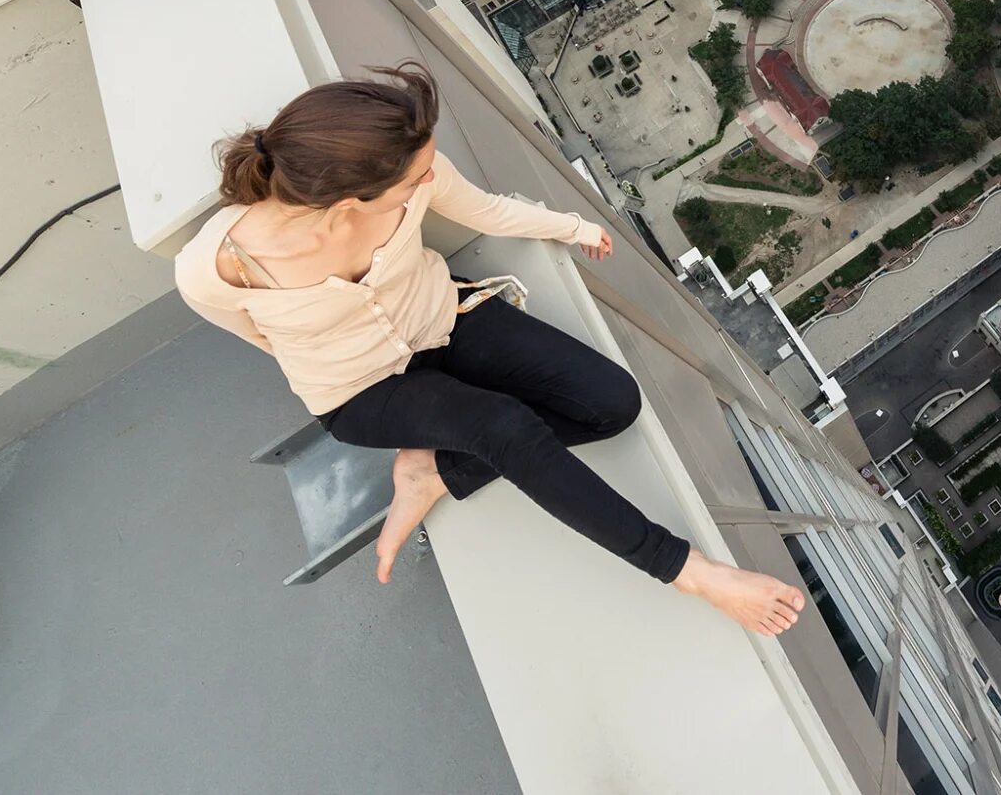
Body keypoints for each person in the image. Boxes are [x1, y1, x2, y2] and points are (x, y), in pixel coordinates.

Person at [175, 63, 803, 635]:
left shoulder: (415, 179)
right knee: (500, 423)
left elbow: (488, 211)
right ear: (348, 201)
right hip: (362, 391)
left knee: (613, 403)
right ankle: (691, 572)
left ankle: (437, 471)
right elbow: (265, 341)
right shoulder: (217, 268)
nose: (429, 174)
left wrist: (575, 227)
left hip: (447, 318)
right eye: (416, 173)